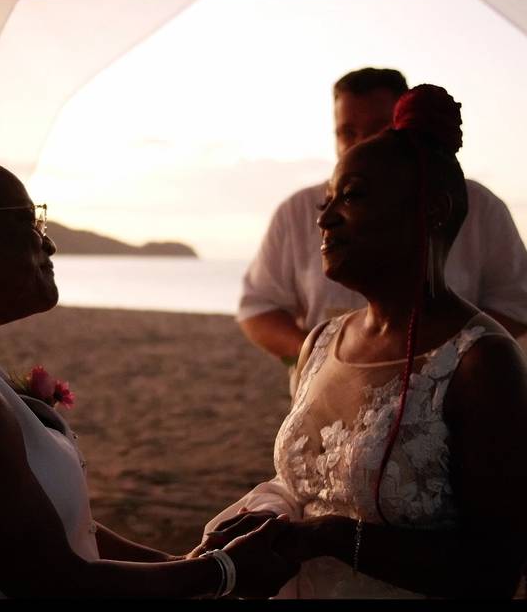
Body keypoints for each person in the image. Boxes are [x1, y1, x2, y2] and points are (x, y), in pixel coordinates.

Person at [0, 156, 297, 598]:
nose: (49, 245)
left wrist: (182, 565)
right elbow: (57, 585)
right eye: (30, 222)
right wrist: (223, 573)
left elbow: (44, 528)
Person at [201, 85, 527, 598]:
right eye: (328, 200)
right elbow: (303, 487)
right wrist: (269, 519)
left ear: (432, 210)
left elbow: (493, 570)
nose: (323, 218)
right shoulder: (322, 342)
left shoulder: (481, 363)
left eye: (350, 197)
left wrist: (332, 538)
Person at [238, 68, 527, 378]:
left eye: (378, 128)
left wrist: (444, 359)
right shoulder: (296, 211)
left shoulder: (477, 206)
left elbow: (517, 301)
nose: (361, 142)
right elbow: (258, 308)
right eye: (347, 132)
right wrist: (319, 355)